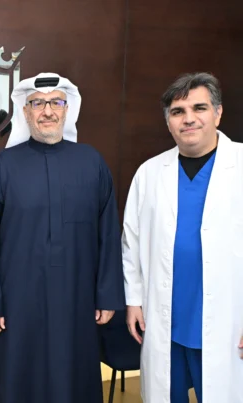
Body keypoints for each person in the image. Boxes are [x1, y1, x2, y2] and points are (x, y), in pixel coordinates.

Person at [0, 72, 125, 403]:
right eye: (38, 103)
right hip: (17, 302)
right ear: (25, 112)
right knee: (19, 378)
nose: (48, 111)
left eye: (56, 102)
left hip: (78, 298)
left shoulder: (92, 162)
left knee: (74, 377)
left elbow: (109, 234)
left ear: (68, 109)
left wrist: (107, 295)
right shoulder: (3, 166)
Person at [122, 72, 243, 402]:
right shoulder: (149, 173)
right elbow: (131, 243)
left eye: (199, 108)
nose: (188, 119)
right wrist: (133, 300)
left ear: (218, 113)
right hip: (166, 319)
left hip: (229, 321)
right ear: (168, 122)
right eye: (178, 112)